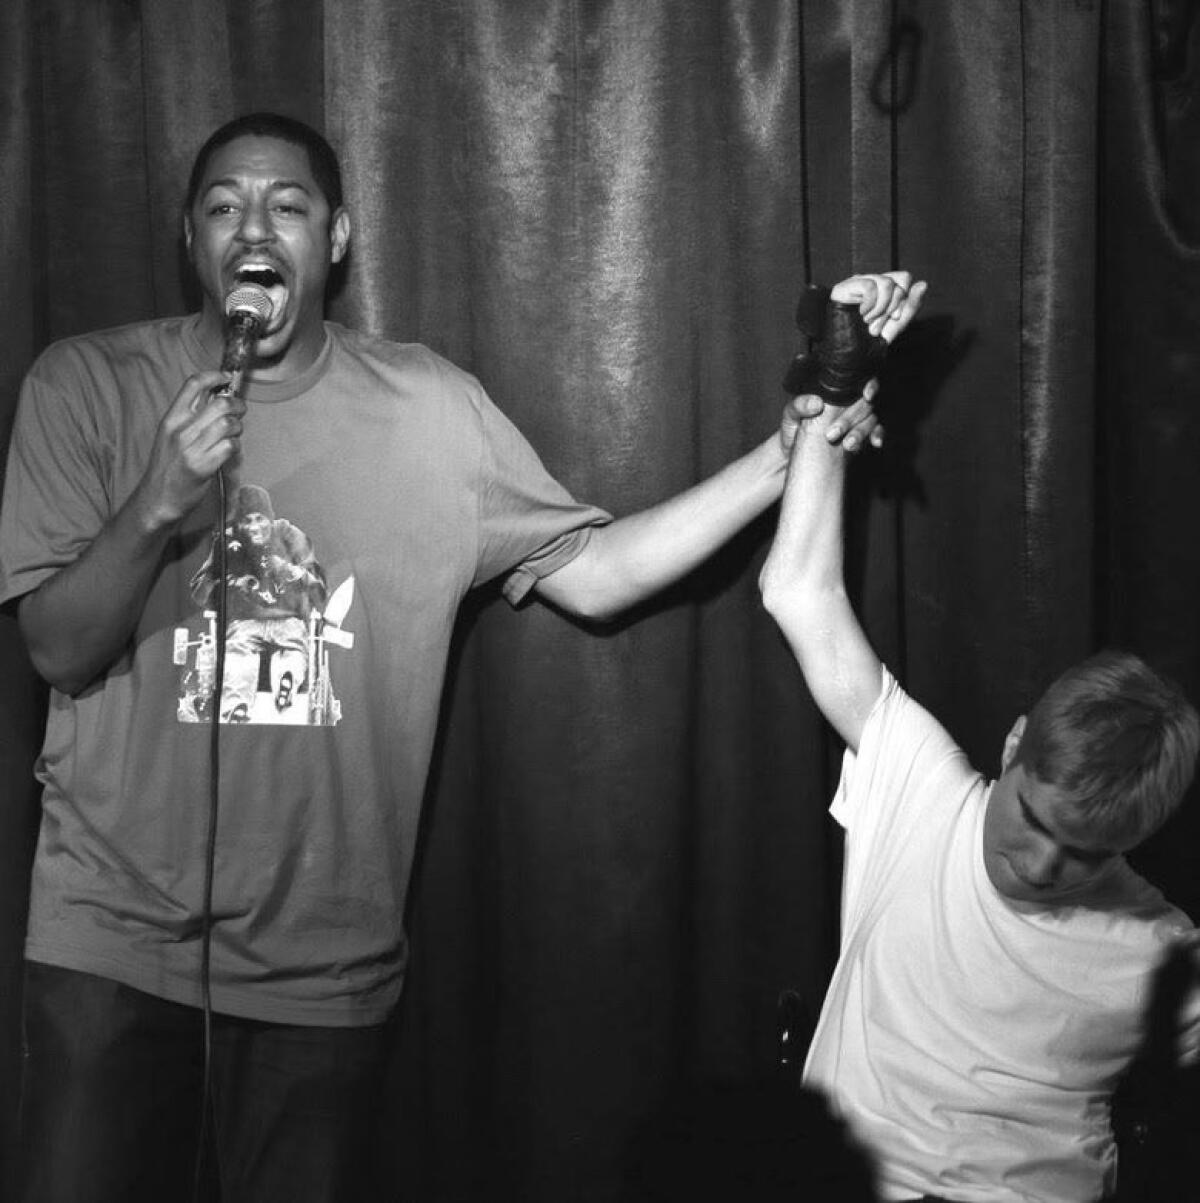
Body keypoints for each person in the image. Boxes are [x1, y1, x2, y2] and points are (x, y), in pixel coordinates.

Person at [0, 112, 920, 1202]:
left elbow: (600, 571)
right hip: (109, 950)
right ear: (190, 239)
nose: (255, 225)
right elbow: (57, 649)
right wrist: (155, 505)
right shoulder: (84, 385)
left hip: (320, 976)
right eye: (222, 206)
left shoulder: (432, 410)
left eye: (287, 205)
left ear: (335, 238)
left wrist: (792, 446)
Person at [758, 272, 1200, 1203]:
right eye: (1035, 816)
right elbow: (799, 593)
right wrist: (836, 388)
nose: (1041, 863)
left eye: (1084, 852)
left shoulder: (1158, 945)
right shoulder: (918, 782)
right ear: (1011, 747)